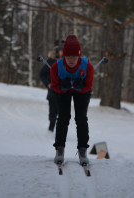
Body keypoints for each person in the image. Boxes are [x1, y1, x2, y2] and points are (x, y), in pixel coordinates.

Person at [50, 35, 94, 165]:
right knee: (63, 117)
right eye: (68, 56)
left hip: (82, 92)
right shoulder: (55, 67)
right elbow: (55, 87)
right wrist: (63, 87)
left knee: (81, 118)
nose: (71, 60)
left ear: (79, 56)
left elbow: (88, 86)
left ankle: (82, 150)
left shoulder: (88, 67)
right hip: (62, 92)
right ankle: (59, 149)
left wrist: (80, 88)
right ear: (63, 55)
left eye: (74, 56)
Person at [39, 41, 64, 132]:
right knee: (53, 114)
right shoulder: (51, 61)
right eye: (62, 51)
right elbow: (42, 74)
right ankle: (50, 130)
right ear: (58, 52)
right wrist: (48, 84)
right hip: (53, 93)